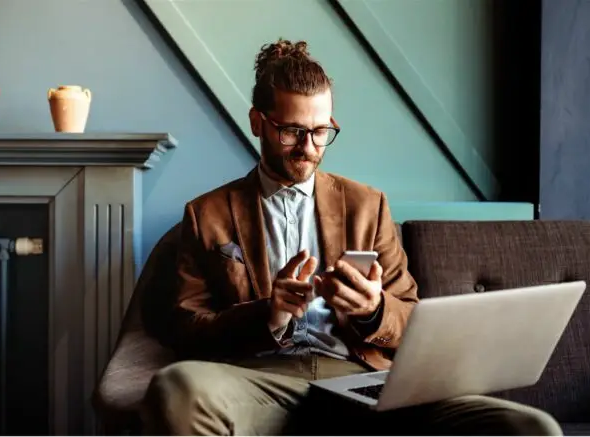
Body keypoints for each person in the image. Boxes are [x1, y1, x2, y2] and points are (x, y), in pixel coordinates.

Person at [141, 38, 562, 436]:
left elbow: (410, 321)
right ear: (258, 122)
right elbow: (186, 329)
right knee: (178, 387)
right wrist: (267, 315)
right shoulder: (207, 214)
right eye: (291, 131)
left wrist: (374, 309)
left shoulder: (367, 205)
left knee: (529, 428)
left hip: (360, 382)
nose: (308, 147)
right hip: (258, 382)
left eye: (321, 131)